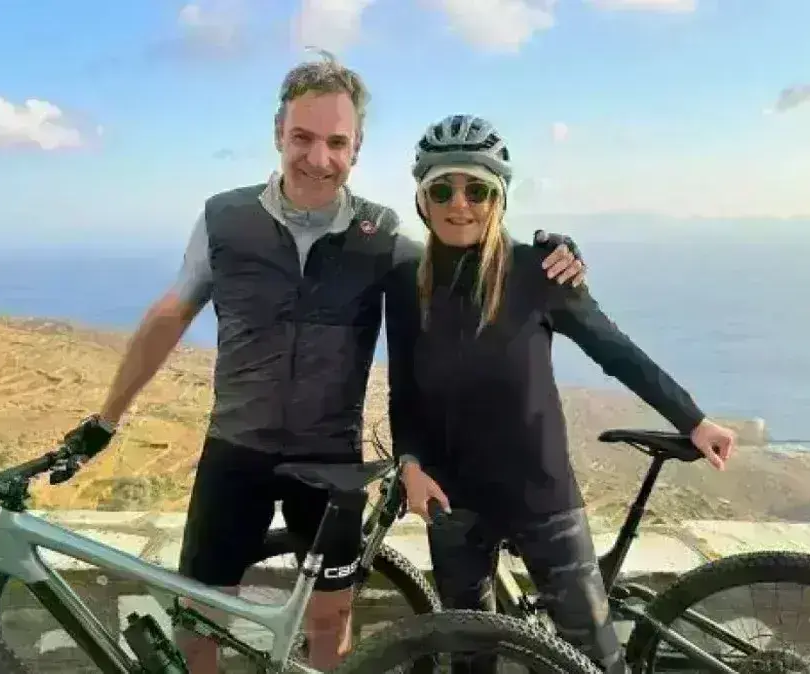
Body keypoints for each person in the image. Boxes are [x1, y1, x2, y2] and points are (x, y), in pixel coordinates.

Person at [57, 55, 589, 672]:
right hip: (235, 452)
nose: (318, 158)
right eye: (302, 138)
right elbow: (170, 314)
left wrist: (547, 255)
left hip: (332, 464)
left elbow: (465, 257)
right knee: (198, 622)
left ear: (356, 149)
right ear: (278, 135)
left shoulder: (380, 234)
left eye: (336, 143)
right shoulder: (225, 218)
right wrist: (106, 419)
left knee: (331, 622)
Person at [384, 114, 738, 674]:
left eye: (478, 190)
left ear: (499, 198)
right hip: (453, 500)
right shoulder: (407, 283)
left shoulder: (539, 271)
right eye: (443, 189)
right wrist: (409, 464)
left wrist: (692, 419)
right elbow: (404, 388)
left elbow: (614, 349)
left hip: (541, 494)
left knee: (594, 658)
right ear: (422, 199)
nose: (460, 204)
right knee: (467, 657)